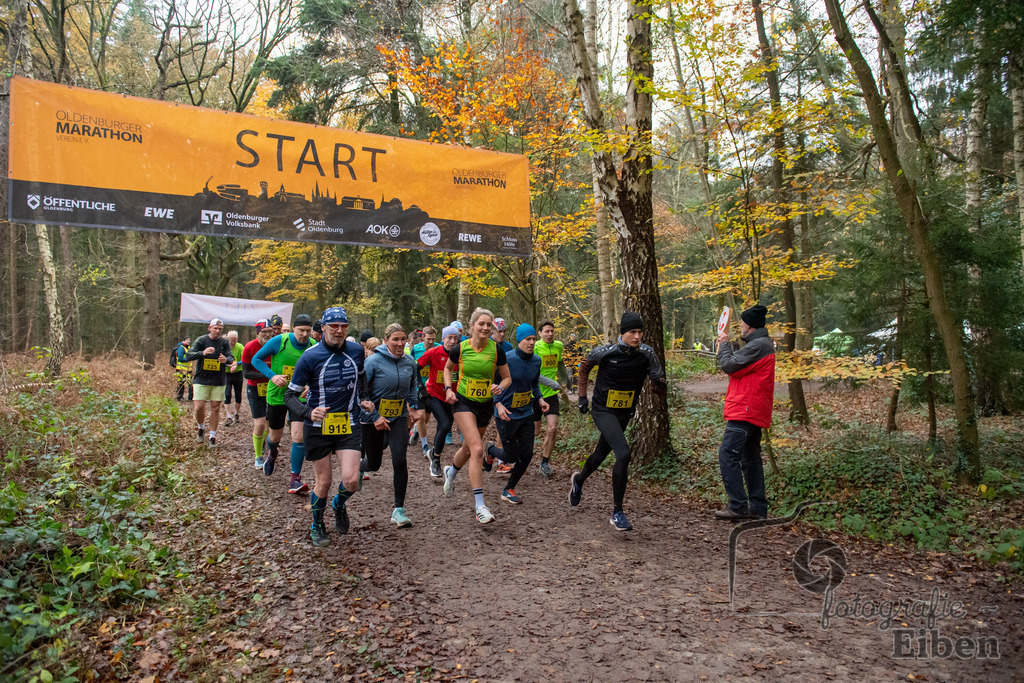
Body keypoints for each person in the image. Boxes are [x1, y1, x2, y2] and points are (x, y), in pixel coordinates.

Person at [570, 312, 666, 531]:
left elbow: (657, 380)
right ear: (623, 332)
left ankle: (579, 480)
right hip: (603, 409)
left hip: (624, 412)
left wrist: (659, 385)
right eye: (633, 332)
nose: (637, 336)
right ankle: (617, 512)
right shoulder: (605, 352)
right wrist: (583, 397)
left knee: (601, 454)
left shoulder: (647, 353)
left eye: (640, 332)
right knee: (623, 453)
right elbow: (584, 366)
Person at [284, 307, 373, 545]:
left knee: (352, 480)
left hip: (349, 423)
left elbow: (362, 376)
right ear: (323, 327)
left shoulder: (356, 350)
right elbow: (289, 396)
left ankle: (339, 503)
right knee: (324, 482)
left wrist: (365, 398)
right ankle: (317, 523)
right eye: (334, 326)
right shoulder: (310, 357)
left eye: (344, 325)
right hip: (318, 427)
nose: (340, 330)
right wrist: (308, 412)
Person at [441, 308, 511, 524]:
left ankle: (451, 472)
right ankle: (480, 505)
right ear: (471, 326)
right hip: (463, 402)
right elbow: (448, 368)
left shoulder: (496, 350)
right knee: (478, 450)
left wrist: (500, 387)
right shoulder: (460, 348)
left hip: (484, 405)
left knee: (467, 448)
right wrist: (448, 389)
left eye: (489, 325)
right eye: (481, 324)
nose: (485, 328)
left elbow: (507, 377)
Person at [359, 323, 424, 528]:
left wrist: (413, 408)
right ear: (385, 340)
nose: (400, 343)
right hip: (373, 418)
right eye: (395, 339)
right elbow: (362, 394)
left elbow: (412, 386)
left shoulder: (409, 362)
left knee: (399, 458)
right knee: (375, 463)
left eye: (403, 339)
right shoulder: (372, 362)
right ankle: (360, 468)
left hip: (398, 417)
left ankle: (398, 509)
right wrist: (375, 416)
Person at [714, 304, 775, 521]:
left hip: (745, 410)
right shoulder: (761, 344)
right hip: (751, 409)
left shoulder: (759, 345)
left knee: (728, 454)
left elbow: (730, 365)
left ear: (748, 325)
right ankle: (757, 508)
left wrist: (724, 344)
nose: (739, 325)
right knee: (750, 459)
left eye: (741, 322)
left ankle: (738, 506)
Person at [252, 314, 315, 494]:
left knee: (298, 436)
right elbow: (257, 360)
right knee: (275, 437)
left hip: (299, 396)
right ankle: (272, 453)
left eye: (307, 331)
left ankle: (295, 479)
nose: (304, 334)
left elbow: (318, 370)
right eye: (301, 330)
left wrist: (310, 385)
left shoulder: (313, 346)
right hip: (278, 394)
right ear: (293, 329)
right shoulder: (280, 341)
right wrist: (273, 376)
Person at [485, 324, 548, 504]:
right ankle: (490, 450)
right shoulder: (507, 359)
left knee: (527, 454)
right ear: (519, 340)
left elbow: (534, 383)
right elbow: (493, 384)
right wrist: (497, 405)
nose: (531, 343)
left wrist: (540, 399)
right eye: (528, 339)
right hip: (506, 414)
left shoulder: (536, 360)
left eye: (534, 339)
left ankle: (509, 488)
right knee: (511, 456)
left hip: (526, 412)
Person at [184, 319, 236, 447]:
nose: (217, 331)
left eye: (220, 329)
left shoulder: (224, 342)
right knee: (199, 407)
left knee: (215, 408)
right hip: (201, 379)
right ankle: (201, 427)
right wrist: (203, 353)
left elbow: (231, 357)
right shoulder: (201, 340)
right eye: (215, 328)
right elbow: (189, 355)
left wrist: (226, 359)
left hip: (218, 380)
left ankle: (212, 436)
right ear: (209, 328)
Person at [418, 326, 460, 478]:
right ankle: (435, 458)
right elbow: (415, 368)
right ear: (443, 339)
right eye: (449, 338)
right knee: (443, 424)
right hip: (434, 394)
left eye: (455, 338)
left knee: (447, 425)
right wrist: (420, 387)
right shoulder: (433, 352)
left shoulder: (461, 354)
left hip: (452, 396)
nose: (452, 341)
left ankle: (433, 453)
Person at [533, 320, 572, 476]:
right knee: (535, 432)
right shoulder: (535, 347)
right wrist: (552, 383)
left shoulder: (558, 346)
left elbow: (560, 363)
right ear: (540, 333)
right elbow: (533, 374)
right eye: (546, 331)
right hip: (534, 394)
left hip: (550, 395)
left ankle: (544, 463)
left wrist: (566, 380)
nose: (550, 334)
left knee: (553, 428)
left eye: (552, 331)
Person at [242, 319, 275, 469]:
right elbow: (246, 373)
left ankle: (265, 446)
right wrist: (269, 375)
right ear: (258, 333)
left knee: (269, 425)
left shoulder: (277, 346)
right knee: (260, 423)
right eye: (264, 332)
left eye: (270, 331)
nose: (268, 334)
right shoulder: (249, 347)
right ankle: (258, 456)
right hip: (255, 388)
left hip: (273, 388)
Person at [408, 325, 436, 456]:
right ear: (423, 337)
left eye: (433, 339)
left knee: (427, 417)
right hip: (419, 386)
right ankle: (425, 445)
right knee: (421, 416)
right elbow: (413, 366)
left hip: (433, 387)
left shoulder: (438, 347)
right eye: (428, 339)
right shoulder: (416, 349)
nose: (430, 342)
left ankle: (417, 431)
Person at [223, 330, 245, 425]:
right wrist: (227, 366)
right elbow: (219, 359)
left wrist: (237, 364)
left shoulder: (240, 347)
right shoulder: (224, 347)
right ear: (228, 339)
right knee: (227, 394)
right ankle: (228, 416)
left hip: (237, 373)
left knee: (238, 394)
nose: (233, 342)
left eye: (235, 340)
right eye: (231, 340)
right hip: (227, 373)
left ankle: (236, 413)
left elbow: (244, 359)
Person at [172, 336, 192, 401]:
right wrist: (188, 359)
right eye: (187, 340)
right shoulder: (181, 348)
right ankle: (179, 398)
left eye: (189, 340)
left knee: (190, 384)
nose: (189, 341)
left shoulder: (188, 348)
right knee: (181, 384)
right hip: (181, 369)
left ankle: (190, 398)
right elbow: (180, 358)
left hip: (188, 370)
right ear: (184, 340)